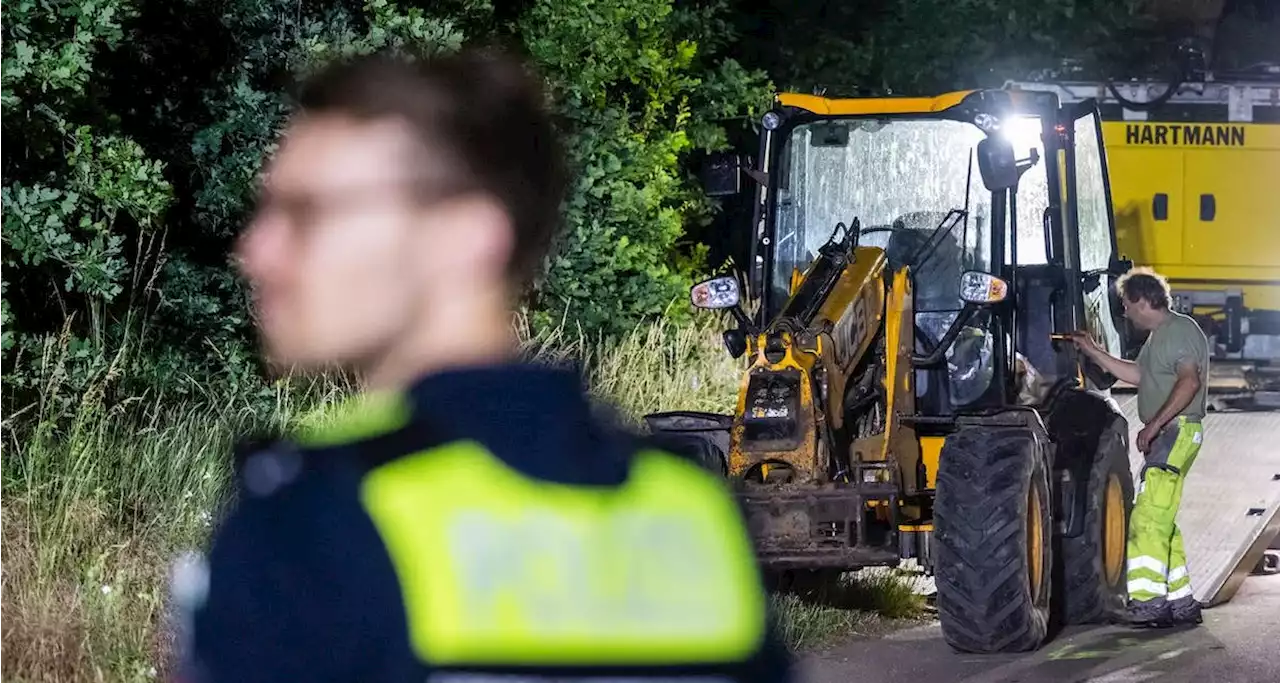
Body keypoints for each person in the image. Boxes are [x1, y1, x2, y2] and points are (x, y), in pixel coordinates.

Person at [169, 47, 794, 683]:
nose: (256, 250)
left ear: (465, 235)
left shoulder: (315, 518)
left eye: (308, 212)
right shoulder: (690, 514)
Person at [1069, 266, 1209, 628]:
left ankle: (1148, 604)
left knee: (1146, 519)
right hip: (1170, 433)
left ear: (1143, 300)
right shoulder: (1159, 336)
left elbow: (1189, 382)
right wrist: (1094, 351)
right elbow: (1135, 374)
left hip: (1176, 433)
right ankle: (1180, 603)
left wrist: (1155, 425)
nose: (1125, 312)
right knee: (1161, 520)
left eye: (1126, 304)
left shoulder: (1178, 332)